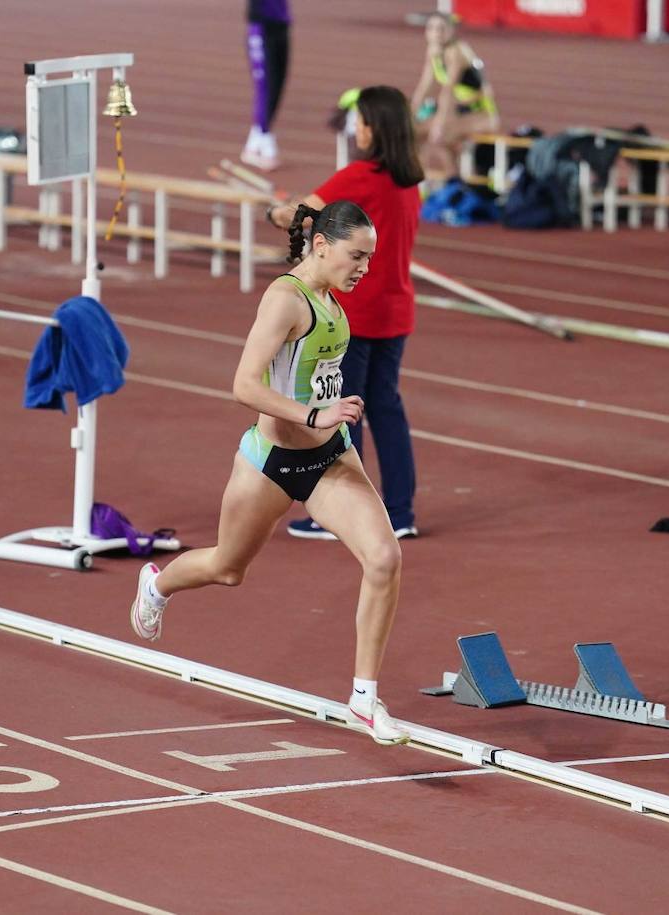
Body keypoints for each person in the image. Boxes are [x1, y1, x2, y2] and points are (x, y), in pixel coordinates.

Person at [129, 201, 409, 746]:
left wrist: (329, 413)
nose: (365, 269)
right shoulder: (286, 300)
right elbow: (244, 385)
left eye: (371, 259)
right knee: (227, 568)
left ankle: (364, 699)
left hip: (330, 456)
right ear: (323, 246)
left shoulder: (330, 296)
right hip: (272, 463)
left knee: (384, 558)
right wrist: (313, 413)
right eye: (358, 256)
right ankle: (157, 585)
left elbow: (314, 373)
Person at [263, 86, 422, 542]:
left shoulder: (360, 175)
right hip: (396, 310)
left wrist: (276, 211)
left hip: (356, 313)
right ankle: (399, 510)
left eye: (362, 121)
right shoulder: (410, 180)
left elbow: (304, 214)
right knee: (386, 409)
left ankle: (337, 512)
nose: (357, 128)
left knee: (337, 413)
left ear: (374, 128)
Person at [410, 13, 498, 181]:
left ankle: (453, 184)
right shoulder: (433, 51)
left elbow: (448, 91)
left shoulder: (457, 51)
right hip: (458, 113)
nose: (437, 33)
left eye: (441, 28)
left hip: (481, 115)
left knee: (439, 139)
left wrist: (440, 124)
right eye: (432, 28)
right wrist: (410, 114)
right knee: (412, 133)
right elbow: (424, 86)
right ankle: (418, 183)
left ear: (452, 31)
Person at [241, 0, 290, 172]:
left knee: (278, 84)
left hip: (281, 23)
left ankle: (254, 143)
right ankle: (265, 136)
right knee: (265, 85)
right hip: (261, 26)